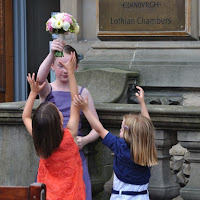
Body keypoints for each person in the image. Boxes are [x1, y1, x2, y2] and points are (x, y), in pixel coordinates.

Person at [37, 39, 99, 200]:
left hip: (74, 154)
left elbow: (97, 128)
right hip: (52, 156)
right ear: (52, 66)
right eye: (60, 65)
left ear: (76, 67)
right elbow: (39, 80)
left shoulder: (83, 93)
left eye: (68, 66)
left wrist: (84, 140)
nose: (65, 70)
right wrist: (51, 53)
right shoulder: (48, 89)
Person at [74, 86, 158, 200]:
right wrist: (142, 103)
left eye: (123, 128)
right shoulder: (147, 148)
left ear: (130, 134)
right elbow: (147, 128)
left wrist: (85, 109)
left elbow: (99, 129)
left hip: (122, 196)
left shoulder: (120, 147)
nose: (120, 129)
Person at [22, 52, 86, 200]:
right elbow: (75, 101)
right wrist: (71, 71)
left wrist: (33, 93)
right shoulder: (70, 136)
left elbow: (25, 117)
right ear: (59, 121)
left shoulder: (40, 140)